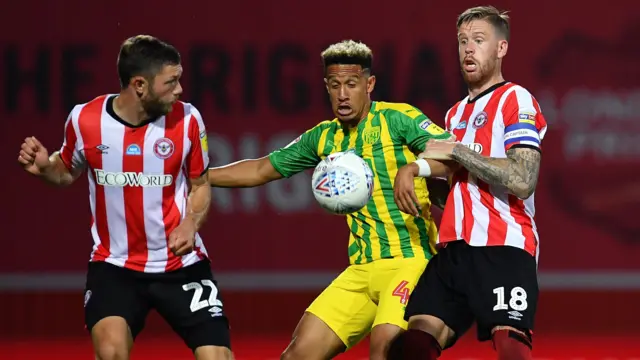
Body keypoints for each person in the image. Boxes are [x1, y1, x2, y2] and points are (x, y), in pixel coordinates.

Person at [207, 40, 456, 360]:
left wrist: (414, 168)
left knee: (385, 349)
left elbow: (452, 151)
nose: (342, 94)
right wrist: (198, 175)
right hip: (361, 269)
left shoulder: (398, 119)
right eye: (335, 85)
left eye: (351, 84)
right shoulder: (322, 137)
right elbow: (259, 169)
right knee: (296, 355)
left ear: (369, 84)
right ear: (326, 86)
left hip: (411, 261)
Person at [17, 35, 233, 360]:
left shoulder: (188, 119)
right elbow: (65, 172)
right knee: (111, 353)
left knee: (217, 357)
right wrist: (45, 168)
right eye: (171, 82)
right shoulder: (85, 119)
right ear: (139, 85)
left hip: (180, 265)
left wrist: (191, 222)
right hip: (114, 266)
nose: (180, 90)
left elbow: (200, 184)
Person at [390, 6, 547, 360]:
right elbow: (462, 185)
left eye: (479, 40)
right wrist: (419, 175)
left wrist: (457, 151)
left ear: (501, 48)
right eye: (462, 42)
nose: (468, 50)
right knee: (412, 345)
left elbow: (523, 180)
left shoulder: (515, 99)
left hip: (503, 246)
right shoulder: (455, 113)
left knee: (510, 348)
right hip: (455, 250)